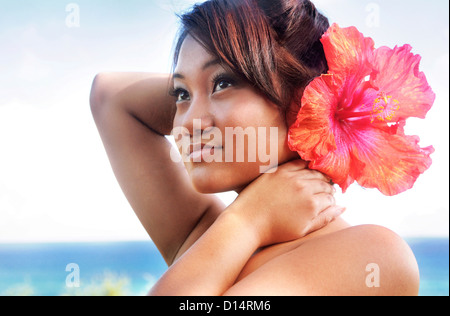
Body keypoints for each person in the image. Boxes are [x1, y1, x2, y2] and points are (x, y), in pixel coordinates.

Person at [90, 0, 419, 296]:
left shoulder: (373, 255)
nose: (187, 122)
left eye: (223, 82)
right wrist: (251, 218)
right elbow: (109, 96)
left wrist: (250, 222)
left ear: (306, 98)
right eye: (181, 95)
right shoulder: (213, 240)